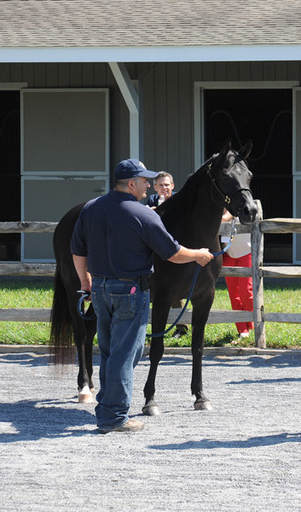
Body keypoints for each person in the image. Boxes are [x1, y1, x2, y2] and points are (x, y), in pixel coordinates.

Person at [70, 159, 214, 434]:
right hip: (131, 291)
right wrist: (198, 254)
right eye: (145, 181)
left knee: (111, 352)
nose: (149, 185)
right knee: (125, 355)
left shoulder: (91, 208)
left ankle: (106, 407)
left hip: (100, 289)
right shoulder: (144, 215)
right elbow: (172, 253)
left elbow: (77, 248)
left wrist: (84, 281)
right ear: (131, 184)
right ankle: (114, 416)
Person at [220, 209, 254, 342]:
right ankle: (242, 330)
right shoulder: (217, 208)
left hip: (246, 252)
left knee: (247, 292)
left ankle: (252, 324)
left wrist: (229, 214)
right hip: (228, 254)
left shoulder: (242, 207)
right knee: (234, 296)